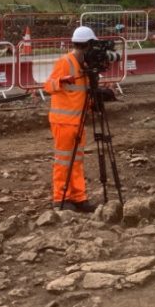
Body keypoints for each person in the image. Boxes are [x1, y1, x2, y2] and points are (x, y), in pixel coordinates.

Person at [43, 25, 97, 212]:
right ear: (87, 45)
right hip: (64, 121)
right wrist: (61, 81)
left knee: (76, 161)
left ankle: (78, 197)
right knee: (64, 161)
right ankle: (61, 198)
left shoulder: (86, 65)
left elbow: (82, 93)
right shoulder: (65, 61)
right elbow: (48, 86)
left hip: (78, 121)